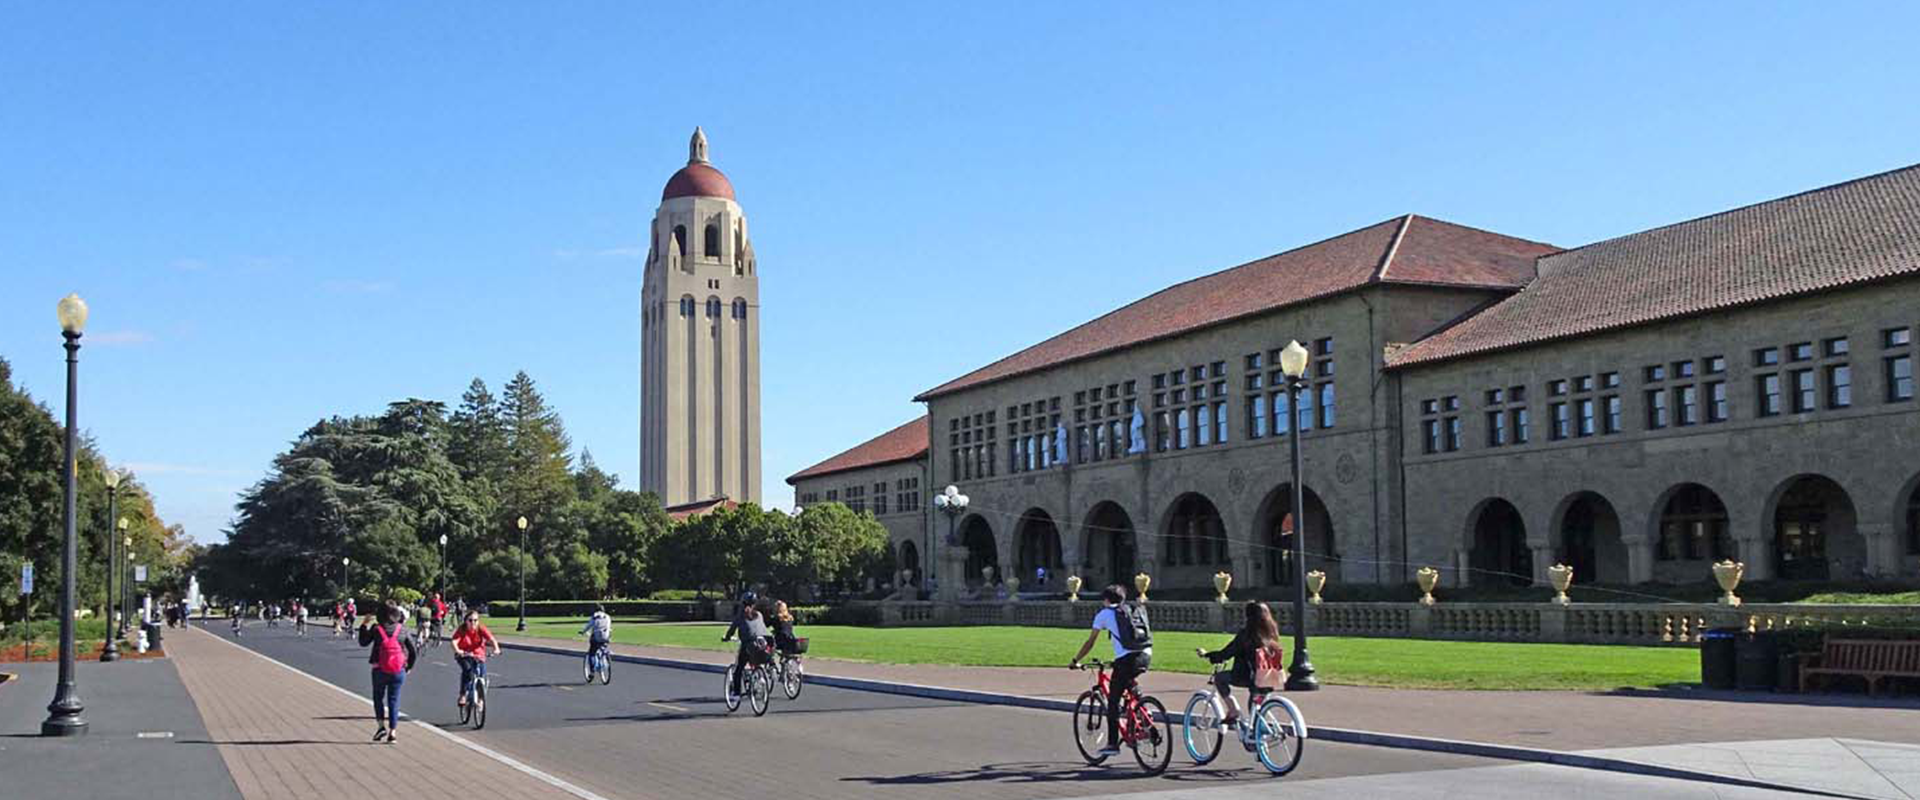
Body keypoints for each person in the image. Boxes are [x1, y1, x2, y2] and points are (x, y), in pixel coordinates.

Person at [1070, 584, 1153, 757]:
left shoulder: (1104, 614)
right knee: (1128, 681)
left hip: (1126, 659)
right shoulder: (1132, 609)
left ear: (1106, 600)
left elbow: (1090, 642)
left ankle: (1113, 744)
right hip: (1145, 654)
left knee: (1113, 701)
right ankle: (1144, 713)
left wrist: (1076, 660)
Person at [1196, 601, 1284, 729]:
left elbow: (1226, 653)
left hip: (1249, 677)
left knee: (1220, 678)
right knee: (1256, 709)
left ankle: (1233, 711)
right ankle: (1259, 735)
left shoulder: (1246, 635)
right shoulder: (1271, 634)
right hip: (1270, 677)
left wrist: (1208, 655)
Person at [358, 603, 416, 744]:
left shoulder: (377, 629)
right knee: (393, 699)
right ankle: (393, 732)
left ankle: (380, 726)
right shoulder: (402, 629)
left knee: (378, 697)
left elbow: (363, 642)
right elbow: (413, 649)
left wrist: (364, 624)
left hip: (379, 669)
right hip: (398, 669)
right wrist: (409, 666)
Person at [720, 591, 771, 696]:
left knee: (738, 670)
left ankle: (736, 694)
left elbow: (732, 630)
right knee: (756, 660)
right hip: (763, 643)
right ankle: (758, 678)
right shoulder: (759, 615)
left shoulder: (741, 616)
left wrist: (727, 637)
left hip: (749, 645)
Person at [451, 609, 500, 709]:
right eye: (470, 620)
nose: (473, 622)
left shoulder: (481, 628)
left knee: (482, 676)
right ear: (466, 621)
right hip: (464, 654)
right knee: (467, 671)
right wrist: (458, 650)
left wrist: (496, 649)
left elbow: (491, 639)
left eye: (475, 620)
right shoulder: (462, 629)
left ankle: (481, 700)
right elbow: (454, 641)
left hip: (478, 655)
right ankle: (463, 695)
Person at [580, 604, 612, 676]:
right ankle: (604, 655)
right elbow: (609, 627)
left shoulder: (594, 617)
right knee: (603, 645)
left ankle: (592, 671)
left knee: (592, 653)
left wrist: (583, 632)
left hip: (596, 637)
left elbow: (588, 626)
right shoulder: (607, 617)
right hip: (606, 636)